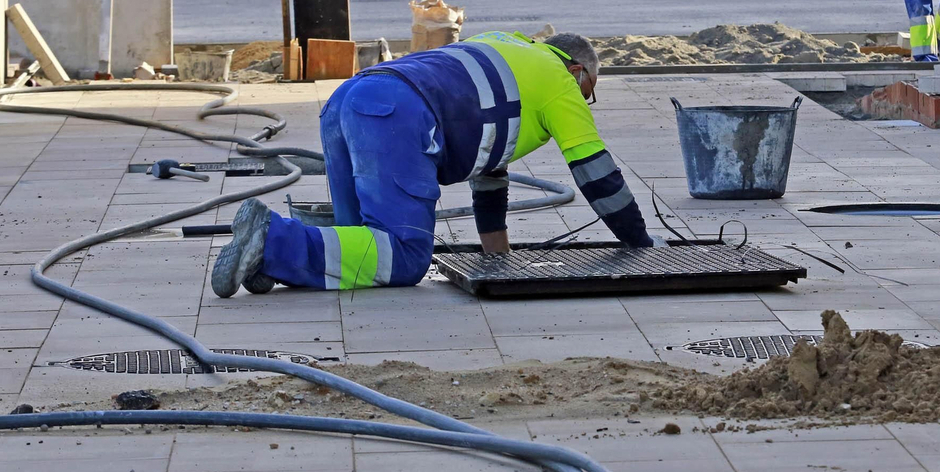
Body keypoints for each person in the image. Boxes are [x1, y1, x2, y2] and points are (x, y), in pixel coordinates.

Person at [211, 31, 660, 297]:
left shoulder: (507, 48)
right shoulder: (562, 83)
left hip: (350, 98)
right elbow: (597, 174)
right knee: (405, 258)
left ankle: (267, 263)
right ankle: (272, 240)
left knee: (360, 250)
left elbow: (489, 175)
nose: (584, 101)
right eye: (589, 91)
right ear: (579, 71)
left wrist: (498, 260)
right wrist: (641, 245)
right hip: (397, 114)